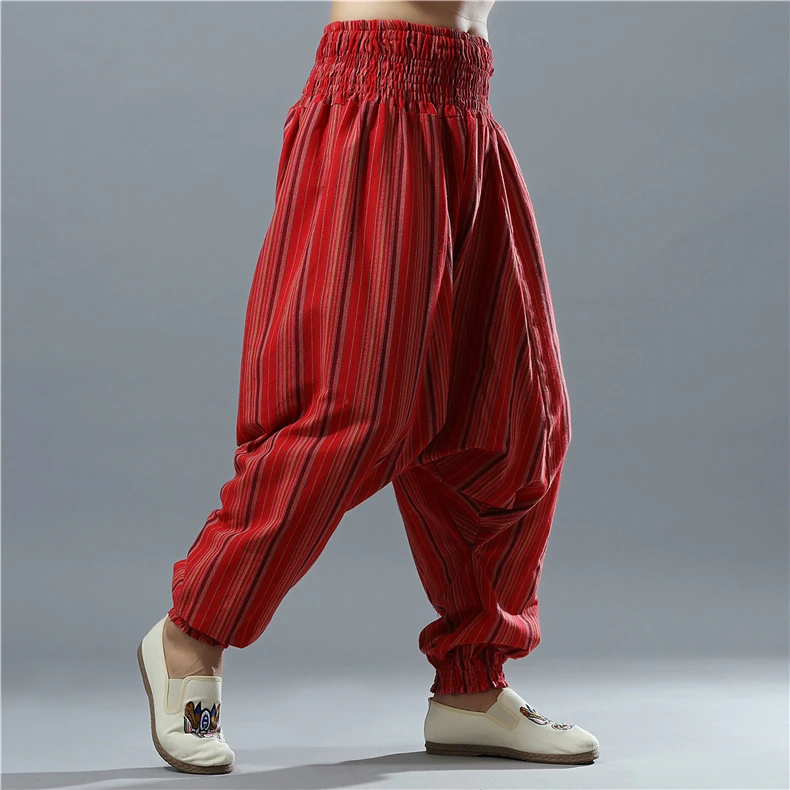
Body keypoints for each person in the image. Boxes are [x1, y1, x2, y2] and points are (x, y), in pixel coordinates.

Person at [137, 1, 600, 774]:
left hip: (466, 109)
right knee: (355, 407)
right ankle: (192, 635)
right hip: (379, 103)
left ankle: (470, 684)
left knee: (514, 416)